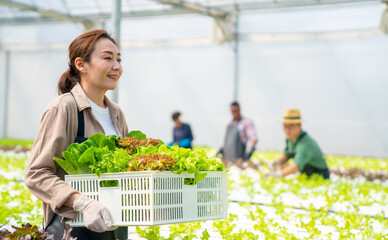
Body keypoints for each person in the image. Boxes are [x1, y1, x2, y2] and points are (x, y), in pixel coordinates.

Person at [24, 29, 129, 240]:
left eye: (118, 59)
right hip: (74, 229)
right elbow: (36, 174)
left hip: (116, 229)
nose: (117, 66)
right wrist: (82, 202)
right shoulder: (64, 108)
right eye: (108, 58)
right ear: (81, 65)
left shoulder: (116, 113)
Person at [266, 109, 330, 179]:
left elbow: (296, 166)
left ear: (299, 126)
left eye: (291, 126)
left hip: (319, 175)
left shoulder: (306, 143)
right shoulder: (290, 139)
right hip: (306, 174)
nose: (287, 130)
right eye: (285, 126)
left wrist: (279, 174)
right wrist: (277, 162)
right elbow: (287, 154)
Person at [218, 101, 258, 168]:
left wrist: (250, 151)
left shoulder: (246, 122)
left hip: (238, 159)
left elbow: (253, 139)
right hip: (226, 159)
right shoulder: (229, 124)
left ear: (239, 109)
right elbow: (226, 141)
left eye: (237, 111)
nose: (235, 113)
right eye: (233, 111)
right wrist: (220, 150)